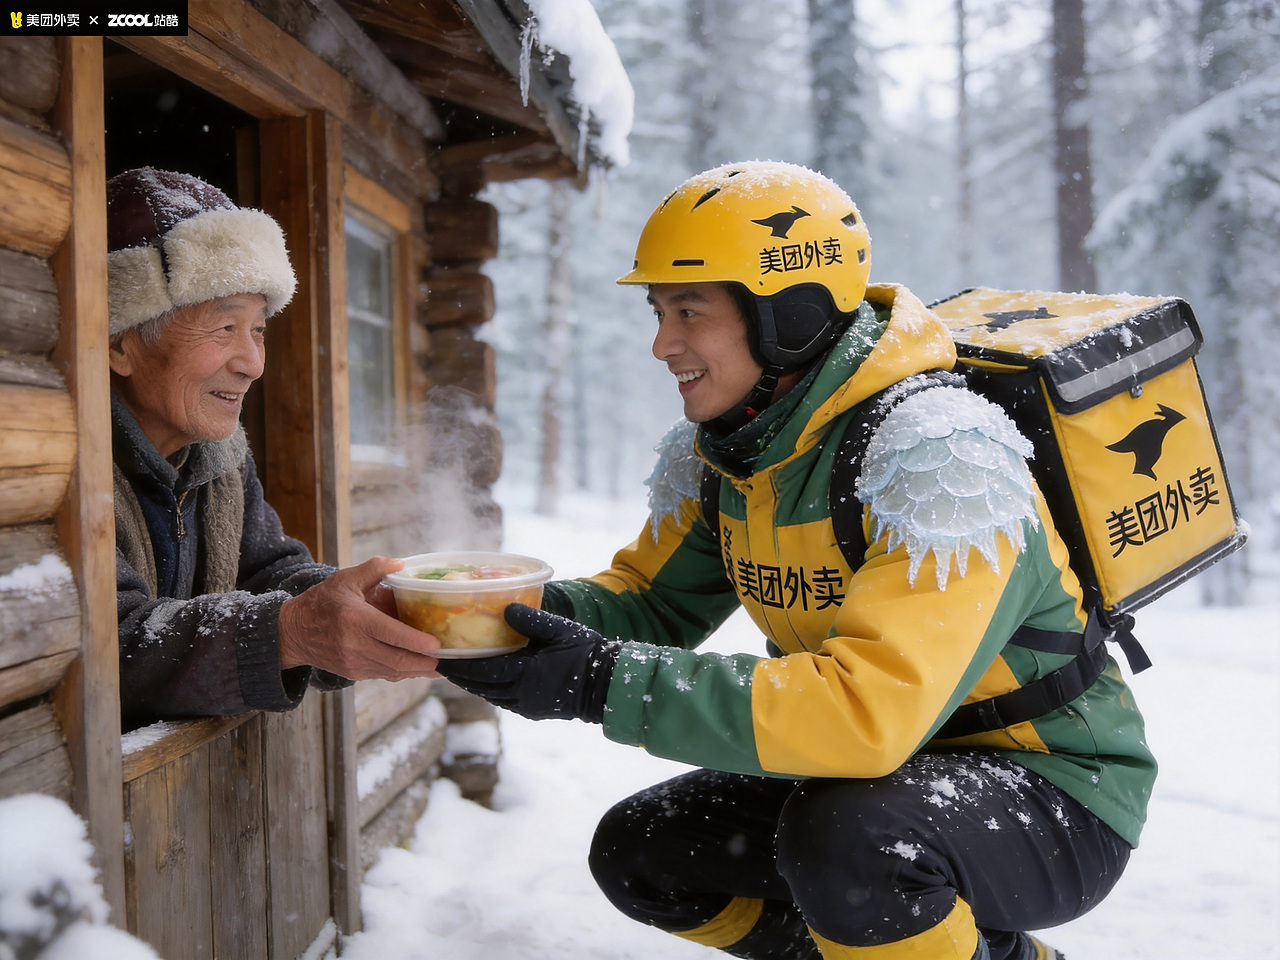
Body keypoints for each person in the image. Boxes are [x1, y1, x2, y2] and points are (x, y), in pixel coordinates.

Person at [437, 161, 1156, 960]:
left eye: (688, 311)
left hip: (1053, 789)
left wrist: (601, 680)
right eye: (658, 311)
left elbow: (866, 713)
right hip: (879, 776)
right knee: (644, 851)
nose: (661, 343)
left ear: (791, 315)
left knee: (851, 847)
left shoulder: (943, 458)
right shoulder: (736, 453)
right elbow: (649, 603)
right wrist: (497, 617)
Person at [107, 166, 440, 727]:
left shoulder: (221, 457)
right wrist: (290, 632)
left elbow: (270, 571)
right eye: (223, 327)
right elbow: (107, 649)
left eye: (258, 328)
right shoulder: (55, 472)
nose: (252, 364)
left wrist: (359, 606)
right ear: (120, 343)